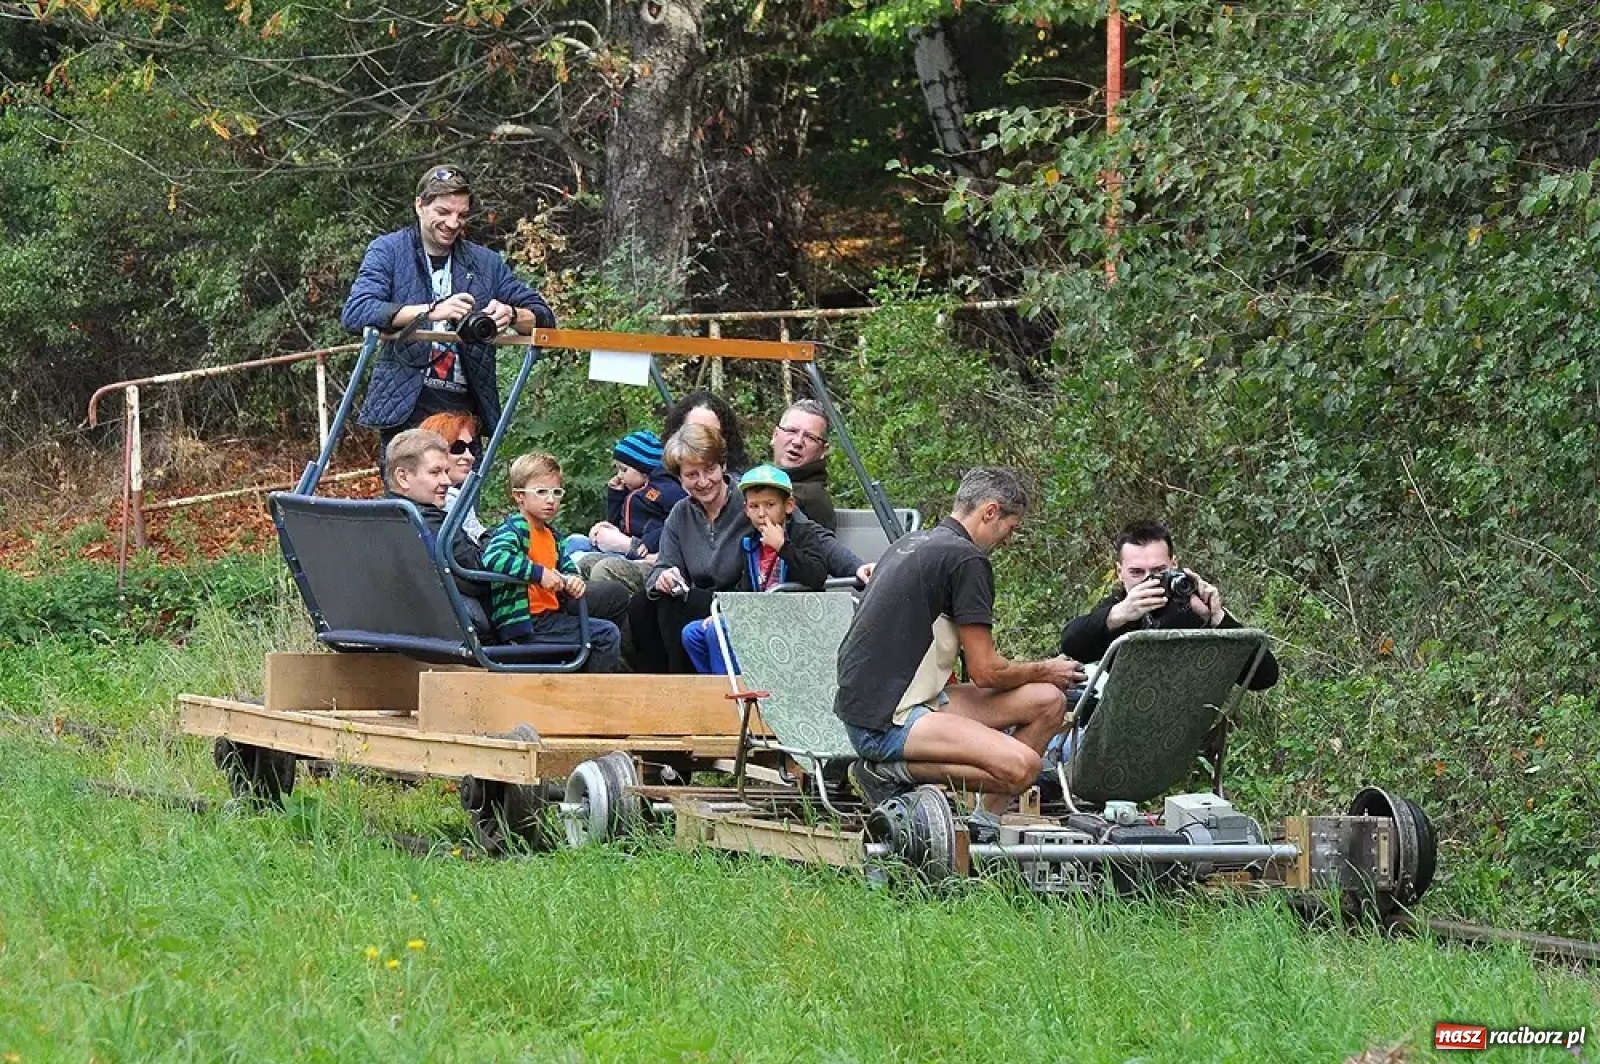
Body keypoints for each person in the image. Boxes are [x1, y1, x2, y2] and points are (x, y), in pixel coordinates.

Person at [833, 467, 1084, 843]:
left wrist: (1043, 680)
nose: (1008, 540)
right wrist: (1047, 668)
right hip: (887, 720)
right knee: (1024, 768)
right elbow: (986, 672)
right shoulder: (967, 559)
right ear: (989, 512)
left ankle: (985, 823)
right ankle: (886, 772)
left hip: (889, 701)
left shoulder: (912, 542)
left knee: (1048, 702)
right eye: (1010, 528)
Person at [341, 165, 557, 457]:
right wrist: (431, 311)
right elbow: (357, 312)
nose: (453, 223)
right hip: (406, 408)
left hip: (466, 412)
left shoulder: (485, 263)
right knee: (411, 500)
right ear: (420, 205)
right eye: (443, 212)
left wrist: (512, 314)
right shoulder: (389, 250)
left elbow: (544, 317)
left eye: (462, 215)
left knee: (464, 501)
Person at [628, 425, 866, 673]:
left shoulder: (754, 500)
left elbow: (812, 535)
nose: (703, 482)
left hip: (744, 597)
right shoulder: (681, 514)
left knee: (674, 607)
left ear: (722, 466)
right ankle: (656, 684)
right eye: (692, 475)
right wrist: (664, 578)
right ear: (680, 479)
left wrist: (857, 567)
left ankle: (681, 686)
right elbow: (664, 564)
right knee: (642, 604)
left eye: (710, 470)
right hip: (699, 598)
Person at [1057, 520, 1280, 690]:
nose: (1148, 580)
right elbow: (1070, 644)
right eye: (1136, 572)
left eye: (1158, 571)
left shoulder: (1194, 605)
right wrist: (1117, 615)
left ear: (1174, 565)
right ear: (1119, 572)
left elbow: (1265, 677)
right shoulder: (1119, 609)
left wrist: (1217, 619)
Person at [480, 453, 628, 672]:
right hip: (526, 624)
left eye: (556, 492)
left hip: (550, 617)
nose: (550, 499)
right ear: (519, 496)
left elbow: (568, 568)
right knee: (605, 635)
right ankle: (591, 699)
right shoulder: (516, 529)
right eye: (541, 492)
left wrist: (573, 580)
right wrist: (540, 574)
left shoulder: (552, 535)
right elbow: (493, 558)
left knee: (608, 618)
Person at [680, 464, 830, 675]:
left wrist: (783, 547)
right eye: (754, 506)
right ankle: (717, 691)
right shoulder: (750, 542)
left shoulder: (802, 535)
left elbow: (817, 576)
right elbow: (747, 587)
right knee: (692, 633)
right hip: (759, 615)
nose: (761, 514)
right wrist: (728, 611)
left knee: (719, 630)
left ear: (788, 506)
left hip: (795, 618)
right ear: (746, 509)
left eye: (770, 505)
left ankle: (734, 699)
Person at [567, 430, 686, 593]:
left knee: (597, 566)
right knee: (573, 543)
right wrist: (615, 496)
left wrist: (650, 540)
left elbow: (678, 520)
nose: (619, 475)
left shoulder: (664, 490)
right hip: (624, 545)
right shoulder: (633, 490)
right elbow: (616, 522)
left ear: (644, 471)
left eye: (624, 470)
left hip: (645, 553)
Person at [382, 428, 488, 608]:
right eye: (435, 472)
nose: (446, 481)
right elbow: (478, 576)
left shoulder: (377, 519)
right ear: (403, 477)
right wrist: (496, 538)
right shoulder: (428, 523)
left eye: (446, 472)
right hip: (457, 623)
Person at [769, 398, 837, 531]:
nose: (797, 442)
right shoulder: (770, 481)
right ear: (775, 435)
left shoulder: (807, 498)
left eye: (810, 437)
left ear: (824, 450)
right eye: (791, 431)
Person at [417, 411, 486, 543]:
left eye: (471, 448)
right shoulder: (450, 500)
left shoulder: (402, 503)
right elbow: (475, 554)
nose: (469, 456)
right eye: (457, 448)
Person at [661, 389, 752, 473]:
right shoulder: (659, 481)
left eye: (712, 433)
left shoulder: (742, 485)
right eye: (695, 431)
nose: (703, 440)